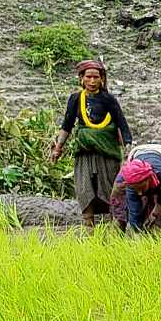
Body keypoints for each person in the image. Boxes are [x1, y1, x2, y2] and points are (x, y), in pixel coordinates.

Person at [47, 58, 131, 228]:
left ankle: (114, 226)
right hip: (84, 152)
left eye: (96, 77)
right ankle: (88, 227)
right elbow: (67, 125)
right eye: (88, 77)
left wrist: (128, 151)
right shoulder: (76, 99)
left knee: (110, 188)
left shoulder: (109, 100)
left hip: (107, 153)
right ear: (81, 78)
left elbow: (122, 125)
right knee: (85, 188)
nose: (92, 81)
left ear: (102, 79)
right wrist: (58, 148)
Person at [112, 143, 161, 235]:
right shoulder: (129, 183)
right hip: (137, 154)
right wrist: (136, 232)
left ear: (148, 179)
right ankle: (119, 234)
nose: (139, 193)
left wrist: (155, 212)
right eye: (135, 189)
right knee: (121, 203)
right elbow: (135, 211)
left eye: (141, 188)